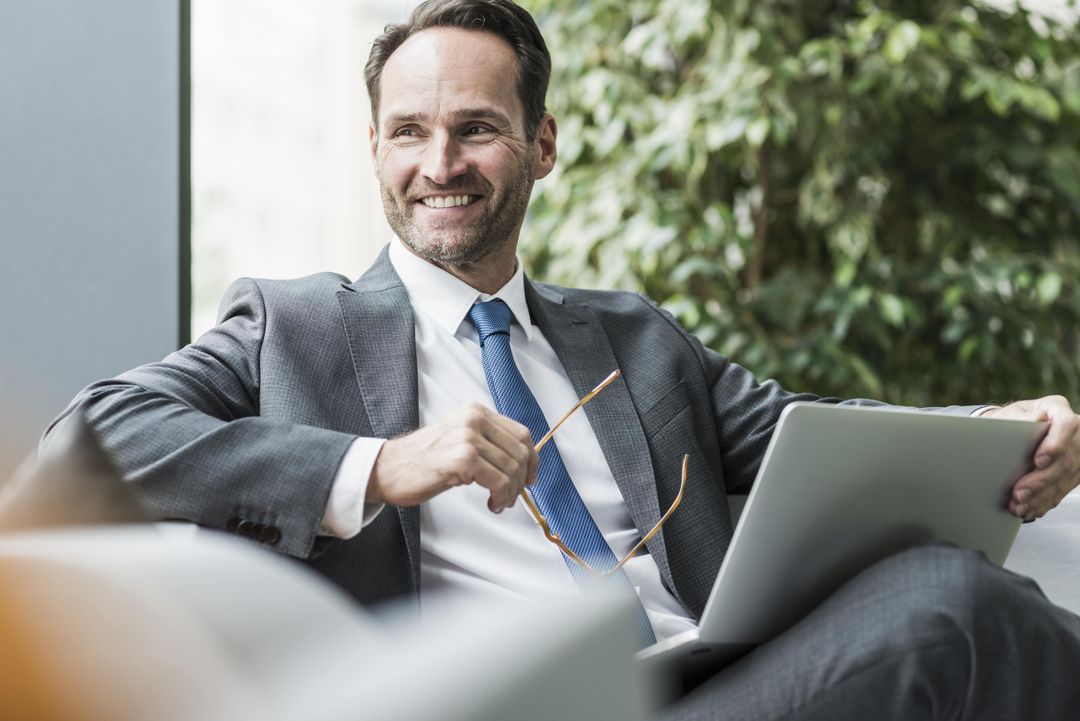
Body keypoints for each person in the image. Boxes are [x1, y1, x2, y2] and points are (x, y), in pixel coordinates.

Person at [46, 0, 1080, 718]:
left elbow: (819, 435)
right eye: (407, 132)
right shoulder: (294, 324)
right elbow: (85, 439)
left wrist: (1004, 433)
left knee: (974, 592)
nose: (438, 164)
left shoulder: (636, 339)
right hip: (518, 703)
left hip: (707, 681)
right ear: (373, 149)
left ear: (542, 146)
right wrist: (377, 465)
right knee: (957, 612)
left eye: (475, 130)